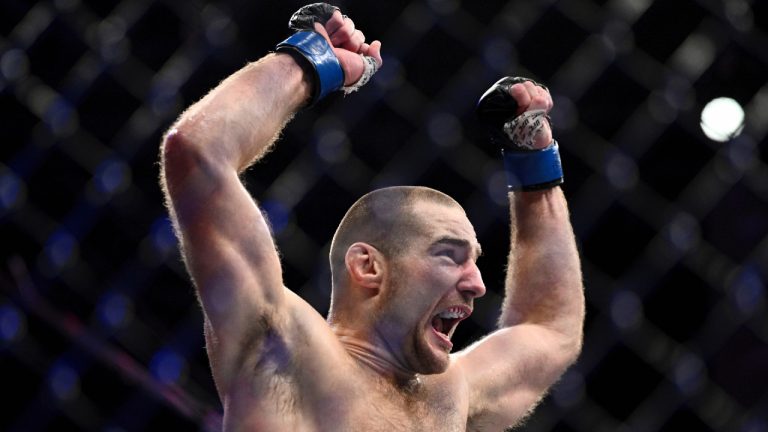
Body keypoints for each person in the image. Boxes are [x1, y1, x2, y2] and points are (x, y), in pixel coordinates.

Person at [160, 3, 584, 431]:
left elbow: (549, 328)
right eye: (450, 256)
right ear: (368, 266)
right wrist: (309, 61)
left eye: (473, 261)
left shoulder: (450, 397)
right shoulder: (285, 351)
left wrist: (535, 163)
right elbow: (198, 152)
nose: (476, 283)